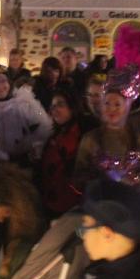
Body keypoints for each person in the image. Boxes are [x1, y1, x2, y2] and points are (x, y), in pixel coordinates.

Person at [75, 67, 140, 195]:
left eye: (117, 104)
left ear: (126, 107)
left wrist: (130, 180)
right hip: (98, 201)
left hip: (129, 201)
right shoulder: (90, 139)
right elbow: (79, 175)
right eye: (107, 103)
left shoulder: (138, 140)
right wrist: (102, 178)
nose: (111, 109)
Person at [0, 65, 53, 167]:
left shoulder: (23, 101)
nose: (0, 86)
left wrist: (30, 144)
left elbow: (44, 123)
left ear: (9, 82)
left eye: (3, 81)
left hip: (21, 162)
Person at [38, 89, 91, 218]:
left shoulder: (82, 134)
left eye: (60, 105)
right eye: (53, 106)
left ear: (72, 107)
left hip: (72, 205)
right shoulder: (57, 134)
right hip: (53, 202)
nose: (55, 110)